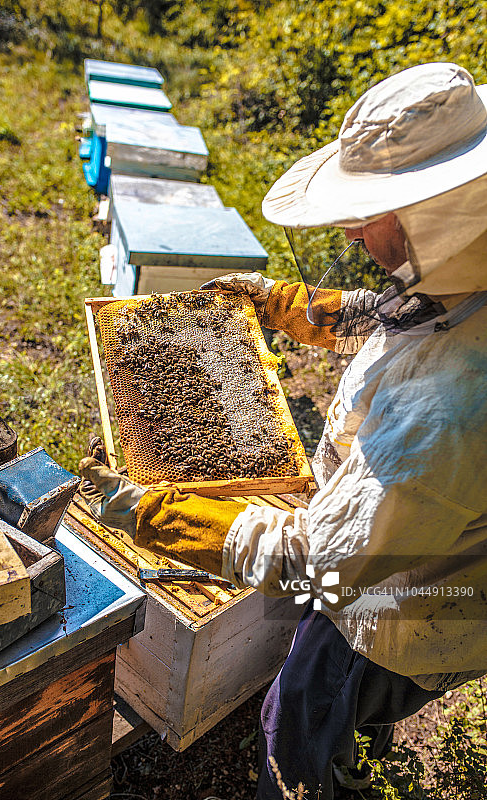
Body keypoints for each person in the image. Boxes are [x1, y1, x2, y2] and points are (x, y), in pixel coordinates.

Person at [79, 62, 487, 799]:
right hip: (411, 558)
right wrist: (282, 304)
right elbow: (394, 315)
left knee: (297, 726)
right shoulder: (464, 281)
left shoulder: (448, 398)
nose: (352, 229)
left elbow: (315, 555)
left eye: (372, 212)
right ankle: (358, 739)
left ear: (443, 207)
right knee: (342, 713)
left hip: (393, 614)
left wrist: (148, 510)